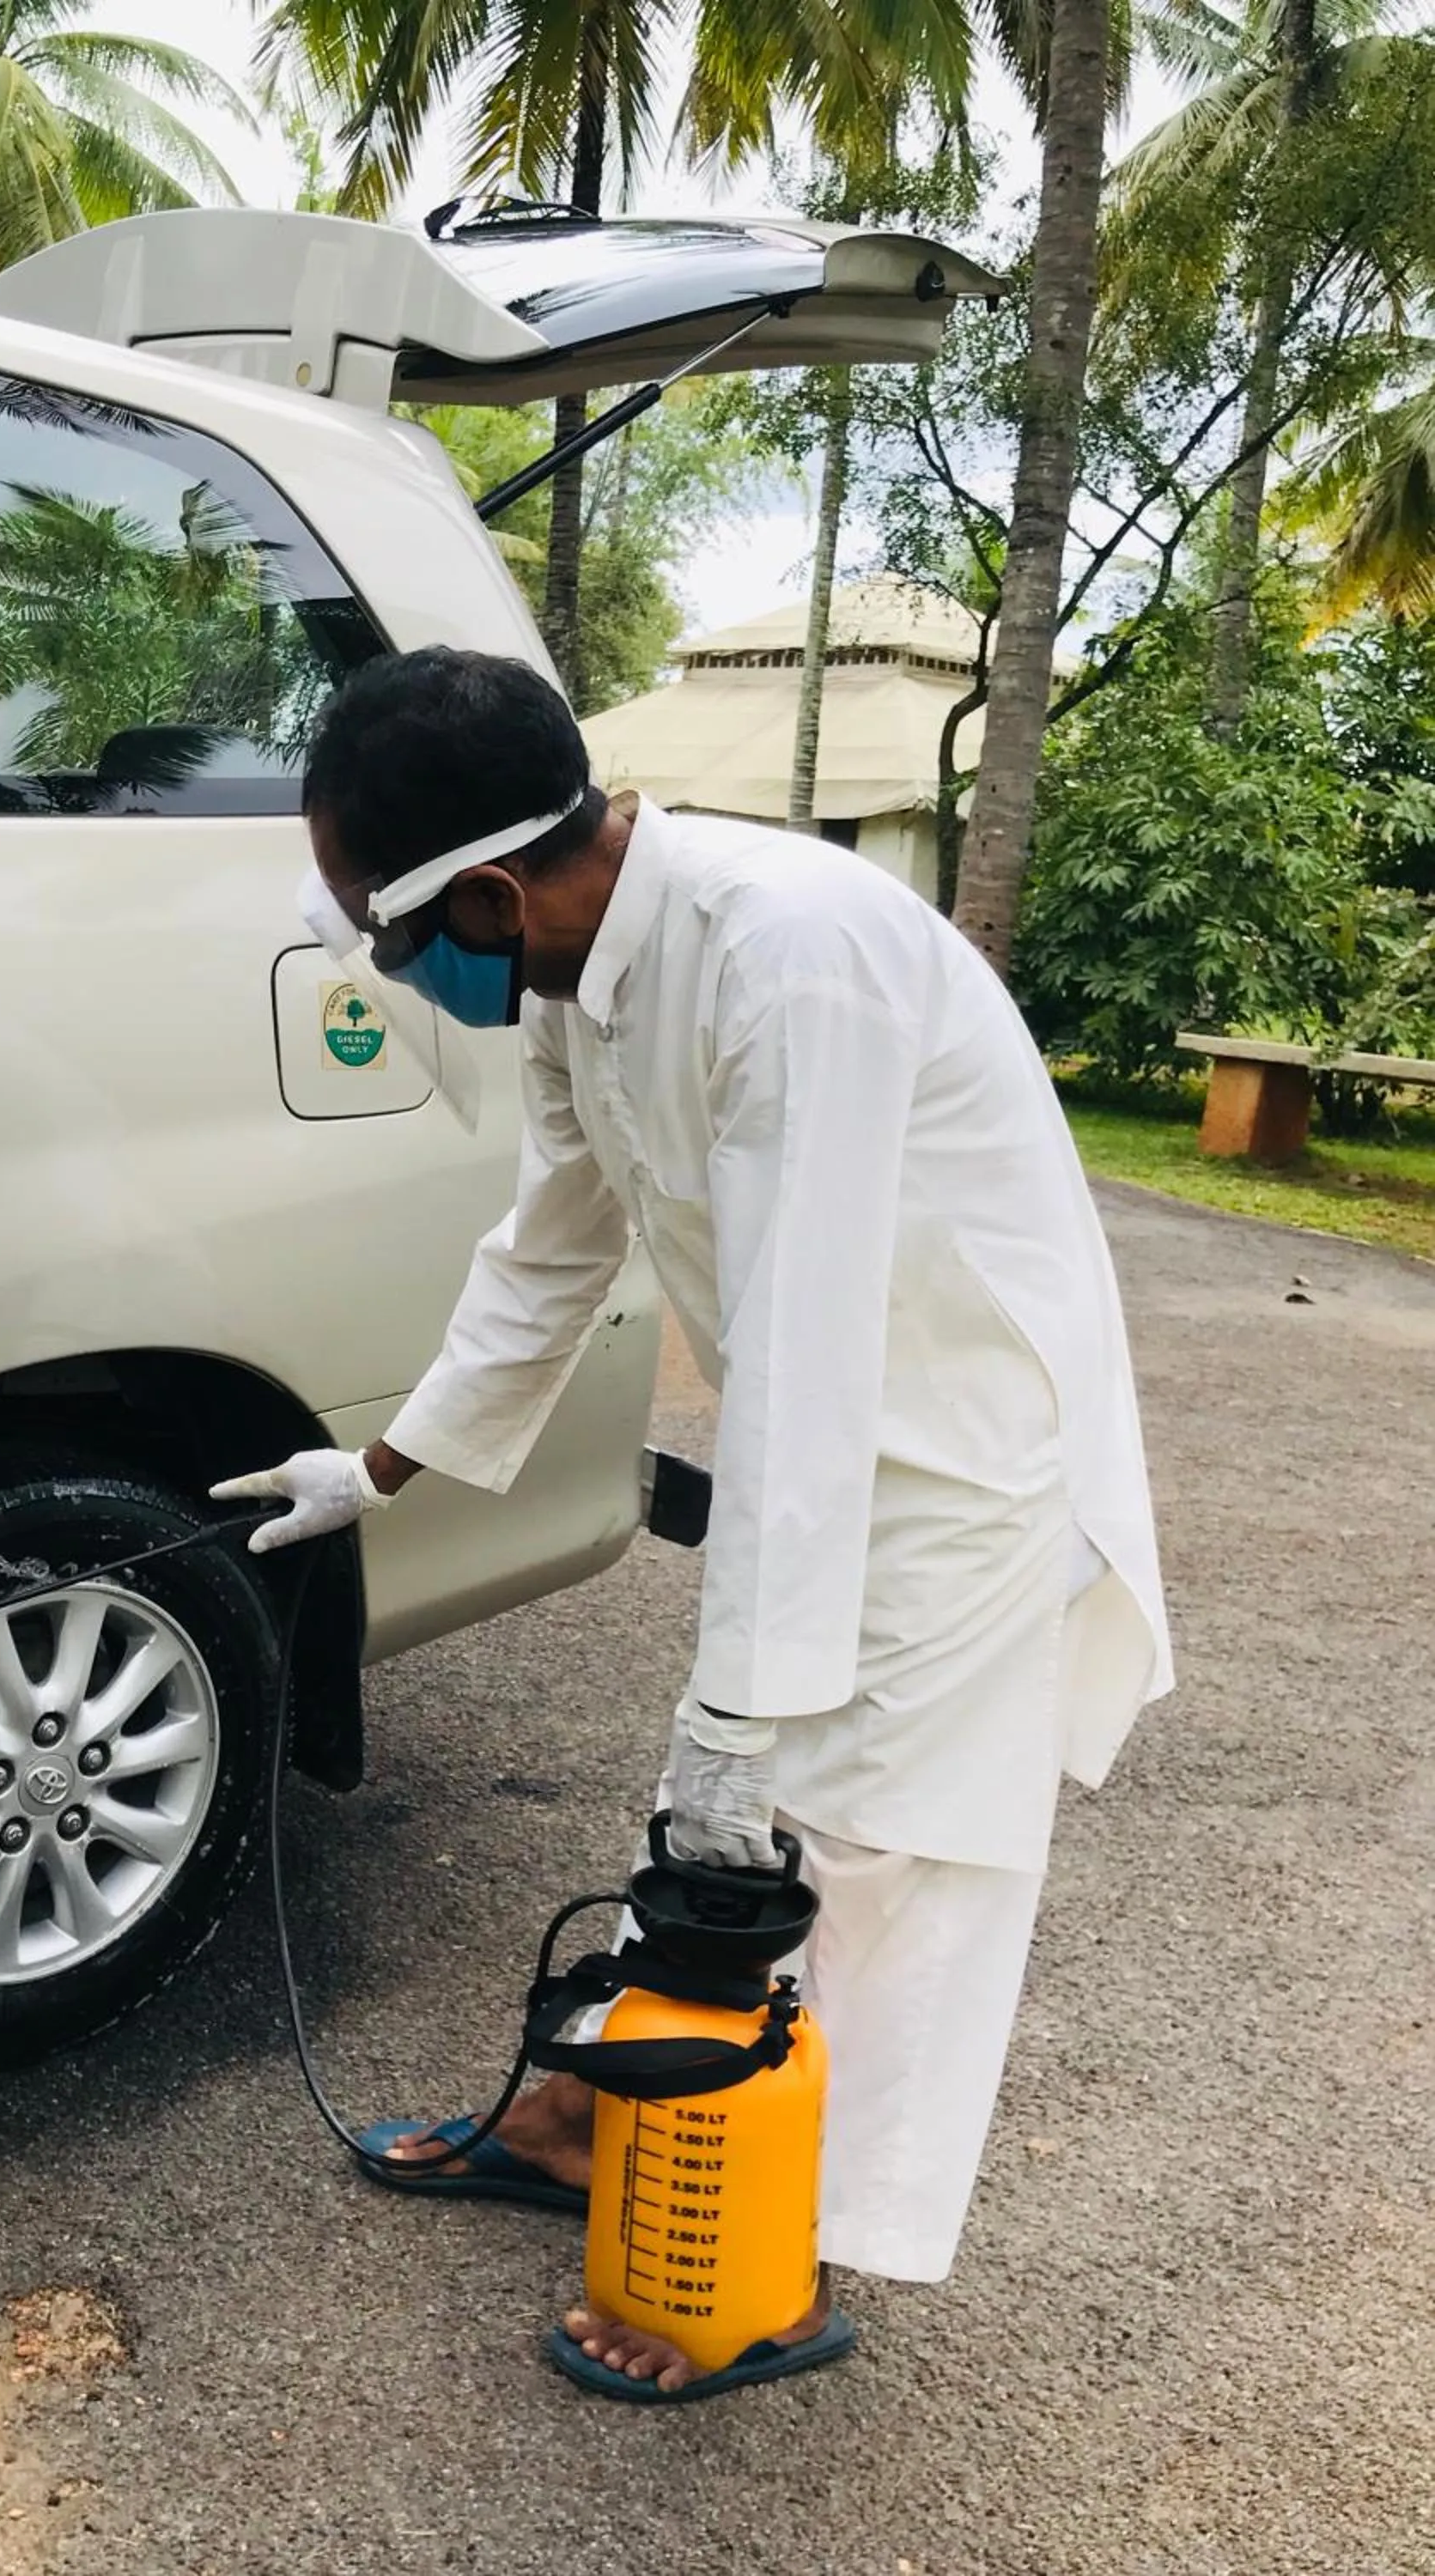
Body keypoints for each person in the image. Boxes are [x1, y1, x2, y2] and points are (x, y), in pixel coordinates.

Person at [216, 647, 1172, 2406]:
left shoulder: (785, 961)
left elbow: (807, 1356)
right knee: (719, 1817)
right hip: (826, 1439)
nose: (391, 967)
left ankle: (766, 2270)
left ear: (491, 892)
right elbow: (552, 1252)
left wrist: (742, 1705)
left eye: (391, 933)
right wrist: (380, 1470)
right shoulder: (581, 976)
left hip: (956, 1453)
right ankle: (592, 2120)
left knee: (874, 1851)